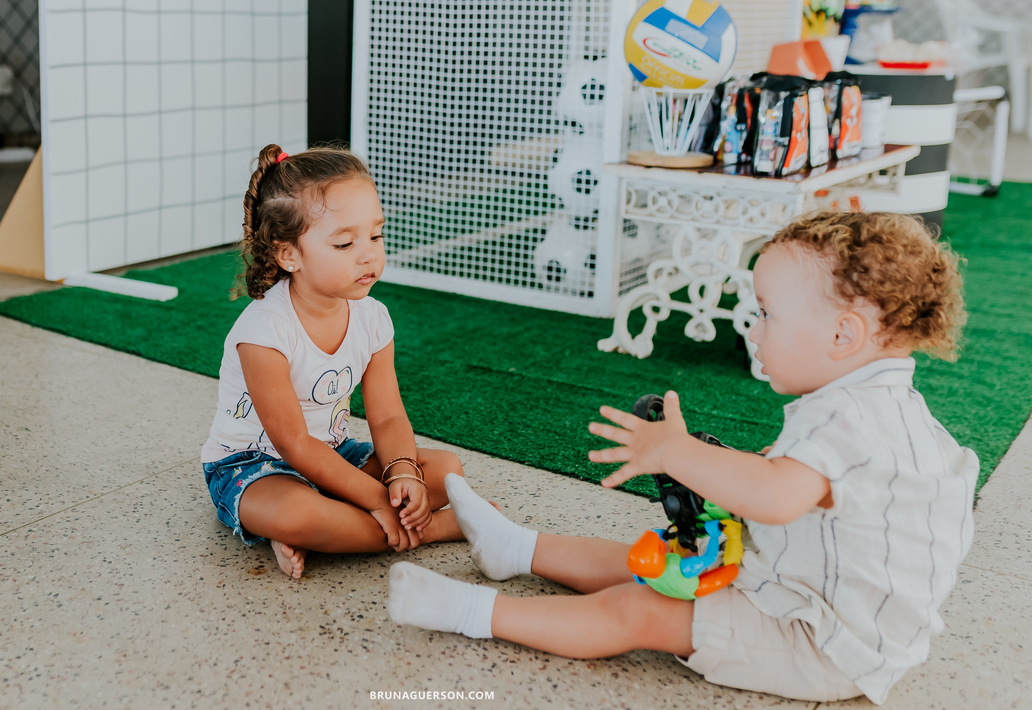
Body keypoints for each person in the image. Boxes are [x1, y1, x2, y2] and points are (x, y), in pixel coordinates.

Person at [387, 211, 979, 704]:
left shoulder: (848, 416)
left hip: (824, 641)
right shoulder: (883, 405)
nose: (754, 328)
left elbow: (774, 497)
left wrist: (676, 450)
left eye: (768, 314)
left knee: (638, 607)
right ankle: (513, 547)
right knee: (655, 561)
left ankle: (470, 610)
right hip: (807, 588)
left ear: (843, 336)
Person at [202, 145, 466, 579]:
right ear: (289, 254)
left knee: (444, 471)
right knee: (297, 515)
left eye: (376, 236)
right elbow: (294, 446)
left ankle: (338, 529)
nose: (368, 254)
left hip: (335, 454)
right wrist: (379, 499)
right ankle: (430, 529)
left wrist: (403, 474)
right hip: (254, 466)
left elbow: (387, 417)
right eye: (345, 243)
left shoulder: (373, 317)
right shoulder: (263, 332)